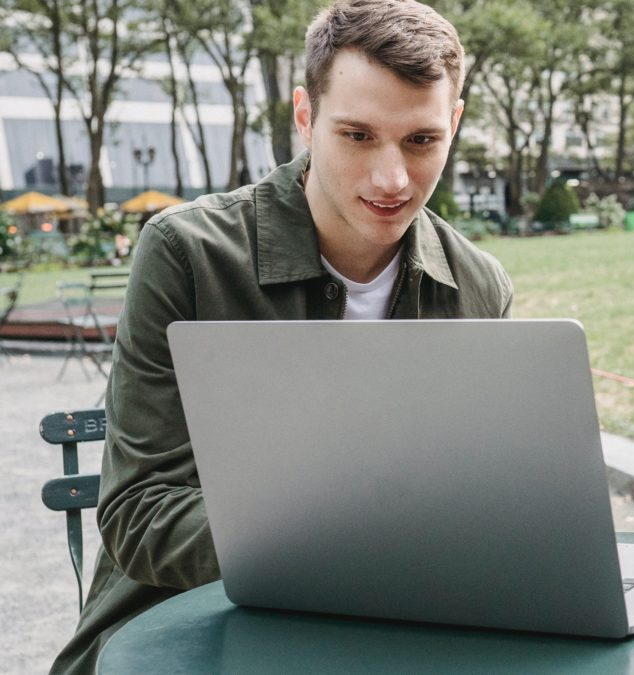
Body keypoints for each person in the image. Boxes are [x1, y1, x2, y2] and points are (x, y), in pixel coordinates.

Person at [51, 1, 512, 672]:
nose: (392, 179)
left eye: (421, 140)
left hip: (392, 631)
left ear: (455, 124)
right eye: (357, 135)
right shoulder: (186, 253)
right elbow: (138, 513)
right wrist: (345, 548)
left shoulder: (480, 285)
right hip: (175, 629)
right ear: (304, 116)